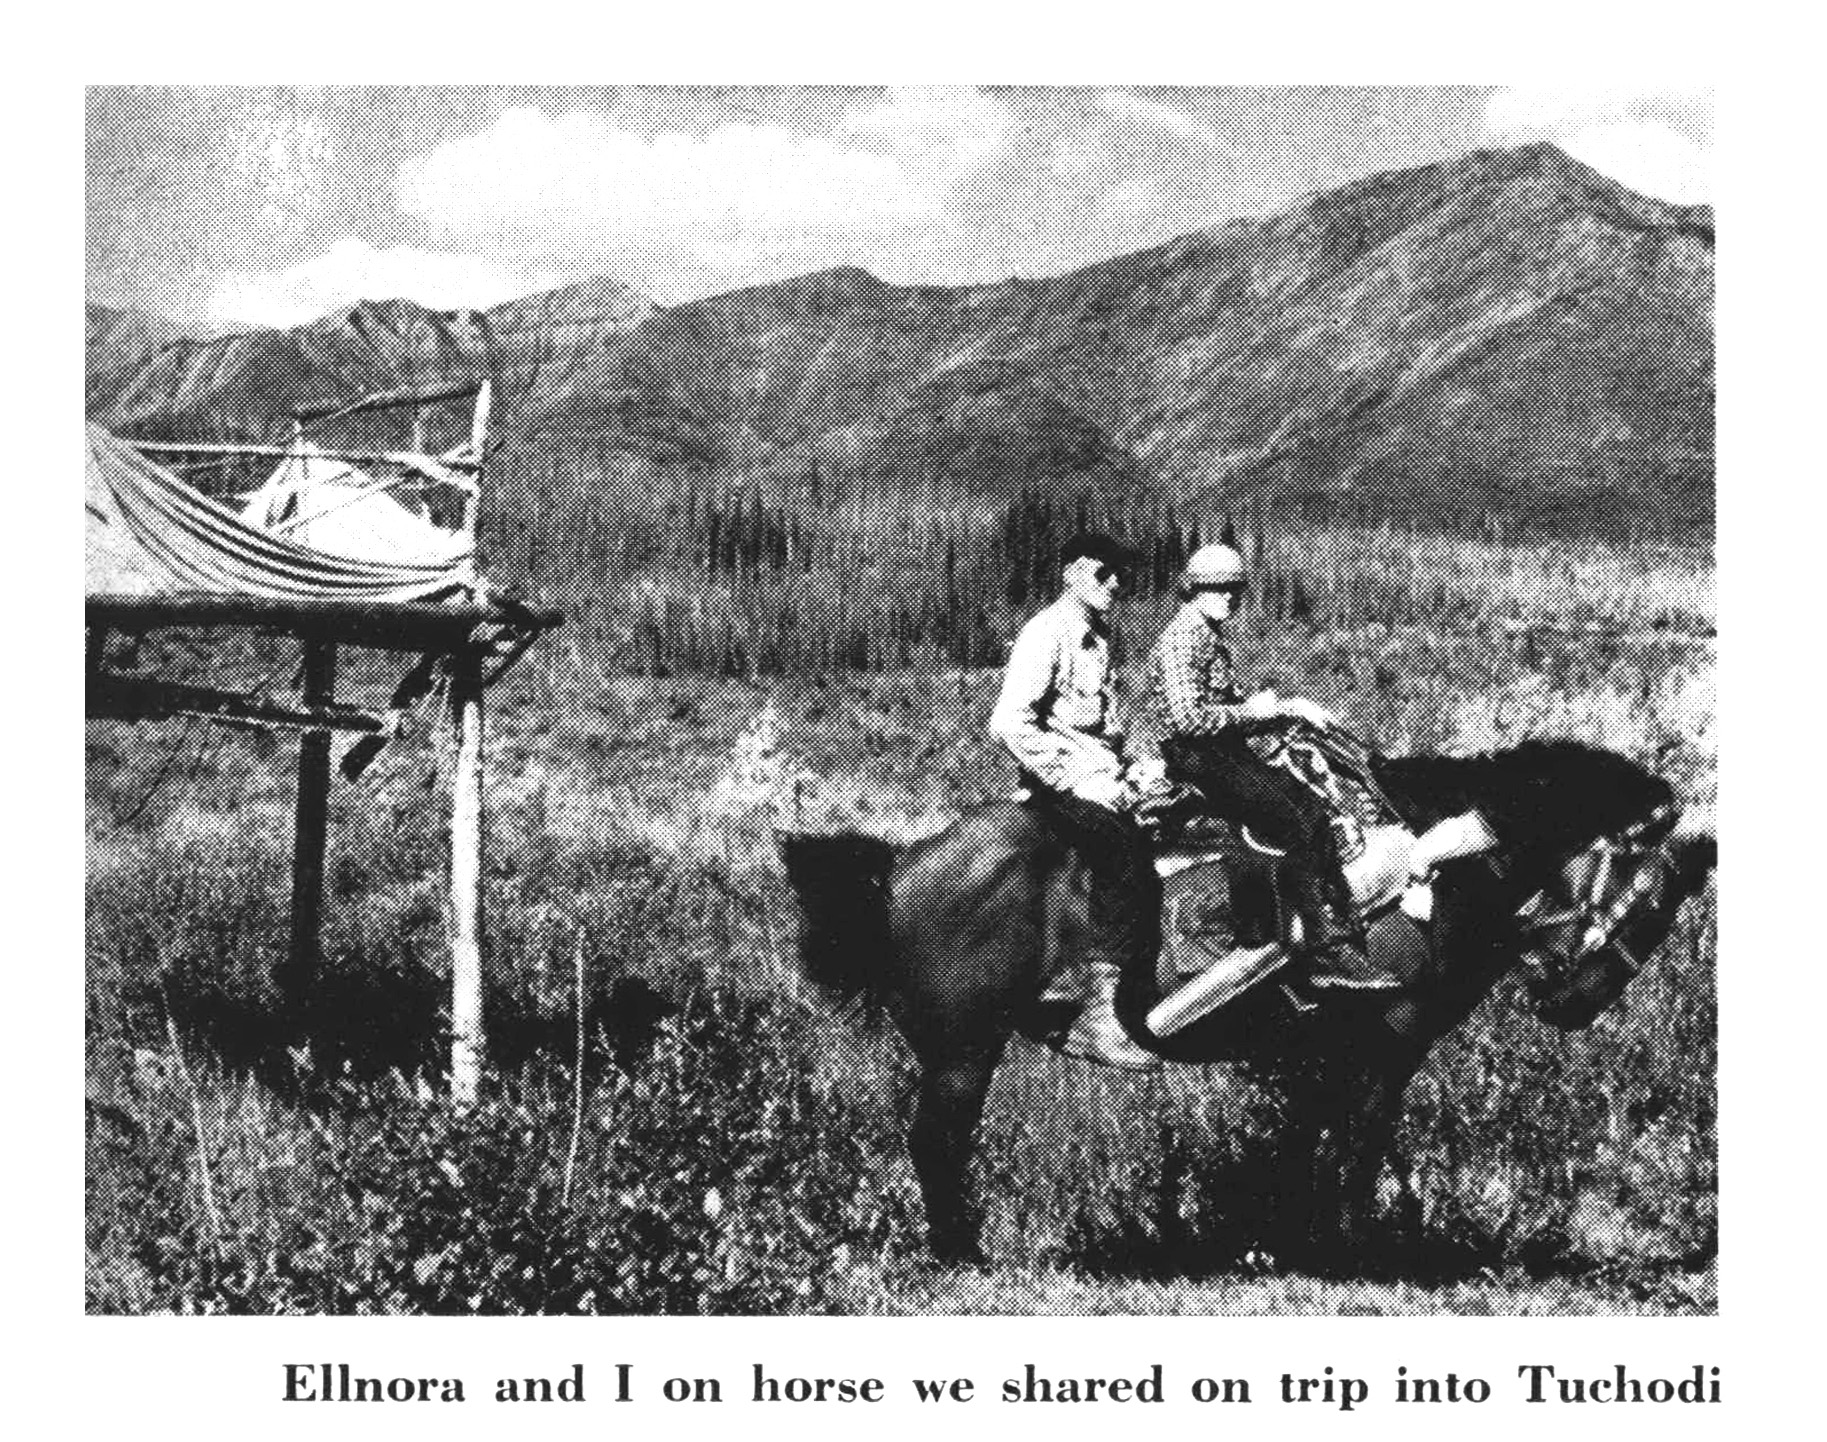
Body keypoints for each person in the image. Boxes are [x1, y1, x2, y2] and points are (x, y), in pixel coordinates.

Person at [1144, 542, 1397, 990]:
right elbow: (1188, 719)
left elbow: (1226, 709)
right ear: (1193, 590)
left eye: (1234, 588)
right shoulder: (1184, 638)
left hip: (1216, 752)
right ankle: (1316, 946)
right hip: (1198, 757)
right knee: (1295, 818)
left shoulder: (1206, 635)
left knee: (1309, 802)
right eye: (1215, 588)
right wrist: (1258, 712)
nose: (1228, 596)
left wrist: (1289, 711)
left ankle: (1318, 929)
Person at [990, 533, 1163, 1068]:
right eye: (1101, 572)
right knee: (1124, 854)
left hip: (1104, 778)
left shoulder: (1101, 637)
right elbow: (1009, 722)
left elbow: (1106, 729)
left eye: (1118, 574)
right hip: (1058, 787)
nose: (1115, 583)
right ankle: (1098, 1019)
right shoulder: (1046, 634)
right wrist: (1076, 780)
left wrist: (1136, 767)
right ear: (1070, 575)